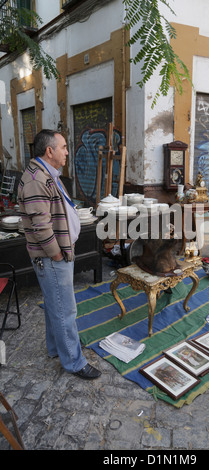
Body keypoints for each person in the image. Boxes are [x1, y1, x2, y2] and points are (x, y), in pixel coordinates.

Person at [18, 129, 101, 380]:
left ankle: (56, 349)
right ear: (49, 151)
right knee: (65, 310)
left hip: (56, 256)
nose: (67, 152)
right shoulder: (36, 179)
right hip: (51, 258)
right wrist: (56, 254)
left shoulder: (47, 174)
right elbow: (40, 225)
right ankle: (74, 362)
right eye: (64, 147)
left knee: (55, 305)